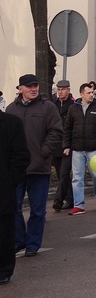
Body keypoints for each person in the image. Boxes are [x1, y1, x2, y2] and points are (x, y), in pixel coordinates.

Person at [6, 74, 63, 257]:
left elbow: (56, 131)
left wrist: (44, 151)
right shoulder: (11, 109)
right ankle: (19, 239)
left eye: (35, 86)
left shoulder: (48, 107)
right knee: (13, 206)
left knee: (37, 210)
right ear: (20, 88)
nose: (33, 89)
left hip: (39, 167)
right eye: (29, 86)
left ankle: (32, 243)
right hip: (16, 168)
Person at [62, 83, 96, 215]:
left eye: (92, 92)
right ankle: (79, 205)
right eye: (89, 92)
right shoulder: (74, 108)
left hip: (93, 149)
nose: (92, 95)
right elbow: (67, 128)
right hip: (77, 148)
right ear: (81, 94)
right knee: (77, 177)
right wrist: (66, 145)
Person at [0, 109, 30, 285]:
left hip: (3, 187)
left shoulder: (12, 123)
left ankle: (4, 269)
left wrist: (9, 182)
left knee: (3, 230)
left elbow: (21, 156)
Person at [52, 79, 74, 212]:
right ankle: (69, 198)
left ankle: (60, 200)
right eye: (59, 89)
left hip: (68, 144)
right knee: (61, 175)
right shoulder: (53, 105)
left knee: (64, 173)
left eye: (63, 89)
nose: (61, 92)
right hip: (55, 144)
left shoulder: (73, 105)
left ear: (68, 90)